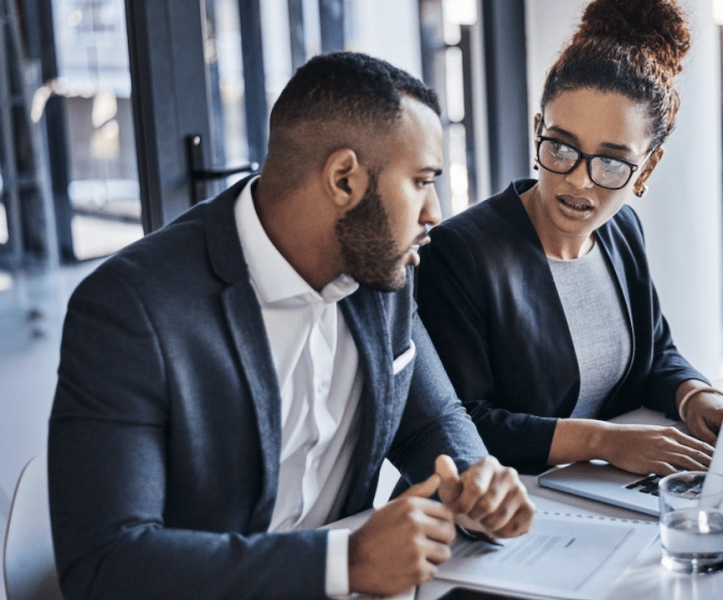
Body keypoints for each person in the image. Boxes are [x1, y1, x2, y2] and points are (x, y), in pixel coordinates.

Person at [48, 52, 534, 600]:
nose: (435, 213)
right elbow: (104, 563)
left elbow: (429, 419)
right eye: (422, 181)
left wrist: (476, 488)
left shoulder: (381, 267)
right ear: (344, 178)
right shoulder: (129, 308)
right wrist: (343, 563)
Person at [417, 0, 723, 476]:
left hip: (590, 498)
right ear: (538, 129)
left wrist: (695, 395)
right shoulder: (460, 253)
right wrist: (603, 441)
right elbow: (459, 424)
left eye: (610, 162)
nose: (579, 180)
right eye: (561, 147)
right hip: (495, 509)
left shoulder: (620, 230)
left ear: (646, 167)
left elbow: (655, 351)